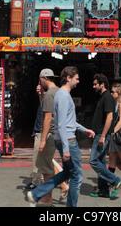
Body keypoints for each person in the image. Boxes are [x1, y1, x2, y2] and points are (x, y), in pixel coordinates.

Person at [27, 66, 95, 207]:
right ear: (68, 78)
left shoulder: (60, 95)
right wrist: (66, 148)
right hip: (68, 140)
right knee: (77, 176)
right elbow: (62, 123)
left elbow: (66, 121)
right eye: (76, 78)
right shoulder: (63, 95)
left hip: (65, 139)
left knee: (67, 173)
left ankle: (36, 193)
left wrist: (83, 129)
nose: (78, 81)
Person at [26, 83, 69, 200]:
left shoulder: (50, 97)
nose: (38, 88)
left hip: (42, 133)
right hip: (41, 132)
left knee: (44, 162)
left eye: (41, 87)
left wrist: (43, 139)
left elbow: (47, 119)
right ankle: (58, 187)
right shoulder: (46, 99)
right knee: (46, 161)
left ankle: (55, 189)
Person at [89, 73, 121, 199]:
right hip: (99, 134)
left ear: (102, 84)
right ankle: (103, 190)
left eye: (95, 84)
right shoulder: (103, 96)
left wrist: (103, 136)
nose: (93, 86)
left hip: (102, 135)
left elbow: (110, 117)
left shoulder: (107, 97)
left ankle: (115, 180)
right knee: (101, 162)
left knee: (93, 160)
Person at [35, 68, 59, 206]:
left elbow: (47, 118)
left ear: (44, 78)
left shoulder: (50, 94)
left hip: (51, 133)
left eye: (40, 80)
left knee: (46, 167)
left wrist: (43, 140)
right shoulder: (58, 92)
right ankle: (50, 194)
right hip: (57, 132)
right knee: (48, 165)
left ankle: (47, 198)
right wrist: (40, 95)